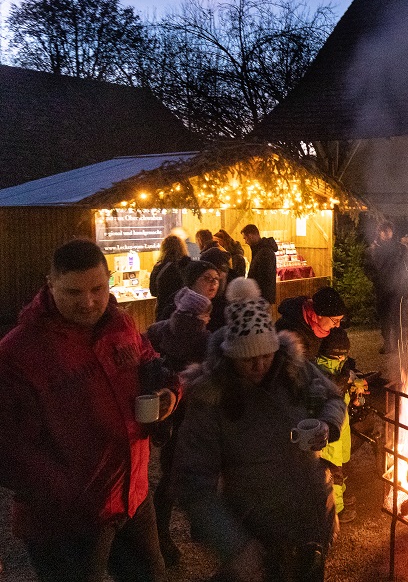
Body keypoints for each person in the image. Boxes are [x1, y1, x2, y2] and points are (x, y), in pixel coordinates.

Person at [0, 238, 179, 582]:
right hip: (66, 520)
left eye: (98, 288)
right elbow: (7, 447)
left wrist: (170, 393)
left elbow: (153, 366)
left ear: (109, 279)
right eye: (72, 292)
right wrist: (66, 489)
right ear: (50, 285)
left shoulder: (121, 325)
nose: (89, 302)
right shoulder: (19, 354)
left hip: (133, 496)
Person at [175, 277, 346, 582]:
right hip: (254, 529)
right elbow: (193, 483)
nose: (258, 365)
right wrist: (234, 546)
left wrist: (327, 424)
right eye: (247, 358)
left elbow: (332, 397)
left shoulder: (294, 369)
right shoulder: (212, 394)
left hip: (309, 515)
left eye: (265, 354)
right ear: (230, 353)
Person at [145, 287, 212, 566]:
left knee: (170, 472)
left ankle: (161, 532)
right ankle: (196, 526)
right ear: (202, 315)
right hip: (193, 411)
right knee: (195, 470)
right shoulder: (204, 338)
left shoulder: (159, 330)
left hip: (167, 410)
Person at [314, 329, 361, 525]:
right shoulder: (320, 369)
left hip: (342, 426)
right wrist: (347, 379)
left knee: (342, 462)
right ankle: (337, 511)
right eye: (341, 355)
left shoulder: (340, 366)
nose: (344, 358)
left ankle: (339, 499)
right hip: (331, 426)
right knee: (334, 468)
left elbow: (345, 380)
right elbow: (332, 387)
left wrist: (355, 382)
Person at [365, 220, 408, 354]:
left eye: (388, 230)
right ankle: (387, 343)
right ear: (379, 232)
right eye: (383, 231)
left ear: (392, 232)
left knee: (397, 316)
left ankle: (398, 343)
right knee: (384, 317)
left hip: (397, 287)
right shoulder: (373, 249)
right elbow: (368, 268)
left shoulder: (400, 247)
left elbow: (406, 266)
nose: (386, 233)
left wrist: (402, 280)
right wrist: (375, 279)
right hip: (382, 288)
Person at [275, 286, 348, 359]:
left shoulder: (324, 328)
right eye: (335, 320)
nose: (338, 325)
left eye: (340, 320)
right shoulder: (292, 331)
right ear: (320, 315)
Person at [149, 234, 190, 320]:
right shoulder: (187, 266)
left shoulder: (159, 267)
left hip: (163, 312)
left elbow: (153, 291)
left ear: (164, 249)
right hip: (185, 311)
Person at [241, 223, 278, 304]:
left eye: (245, 238)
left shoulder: (265, 252)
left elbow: (264, 278)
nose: (246, 242)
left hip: (262, 299)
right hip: (261, 297)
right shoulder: (260, 251)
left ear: (251, 236)